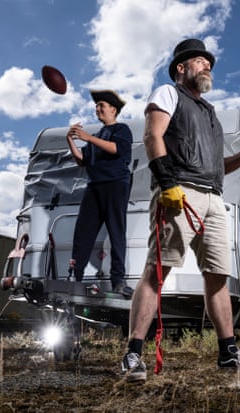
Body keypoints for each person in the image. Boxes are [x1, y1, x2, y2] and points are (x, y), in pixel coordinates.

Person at [120, 38, 240, 382]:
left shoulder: (210, 113)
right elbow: (154, 136)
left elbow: (216, 165)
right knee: (158, 270)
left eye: (209, 62)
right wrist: (166, 182)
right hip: (178, 190)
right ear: (181, 68)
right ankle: (133, 353)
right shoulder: (168, 93)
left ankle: (228, 352)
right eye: (200, 61)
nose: (208, 65)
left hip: (212, 197)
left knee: (218, 278)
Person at [66, 89, 134, 297]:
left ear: (113, 110)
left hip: (115, 184)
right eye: (96, 106)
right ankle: (75, 275)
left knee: (116, 232)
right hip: (94, 186)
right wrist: (70, 140)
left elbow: (116, 150)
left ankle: (118, 280)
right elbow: (82, 161)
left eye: (101, 105)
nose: (98, 109)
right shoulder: (96, 136)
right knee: (83, 232)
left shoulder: (122, 129)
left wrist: (87, 138)